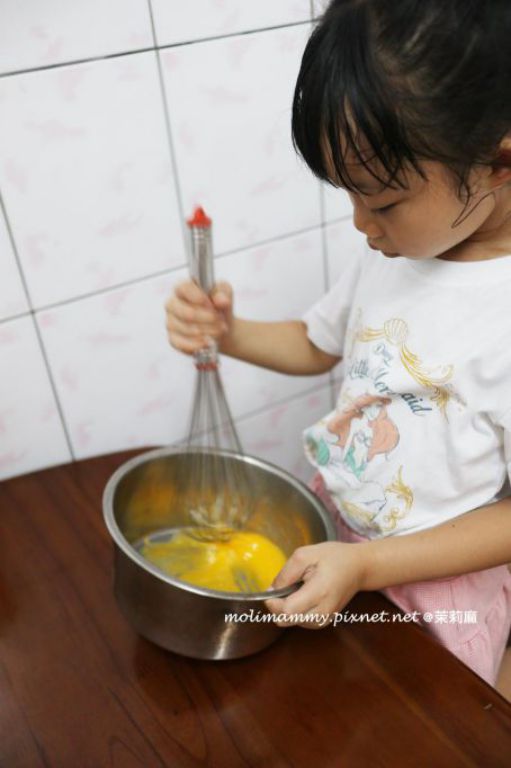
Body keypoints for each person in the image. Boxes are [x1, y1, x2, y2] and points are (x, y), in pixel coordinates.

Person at [165, 0, 511, 691]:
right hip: (338, 539)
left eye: (380, 202)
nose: (360, 224)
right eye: (347, 196)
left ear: (500, 160)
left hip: (434, 587)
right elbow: (315, 344)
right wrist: (226, 333)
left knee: (410, 719)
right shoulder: (395, 252)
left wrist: (369, 568)